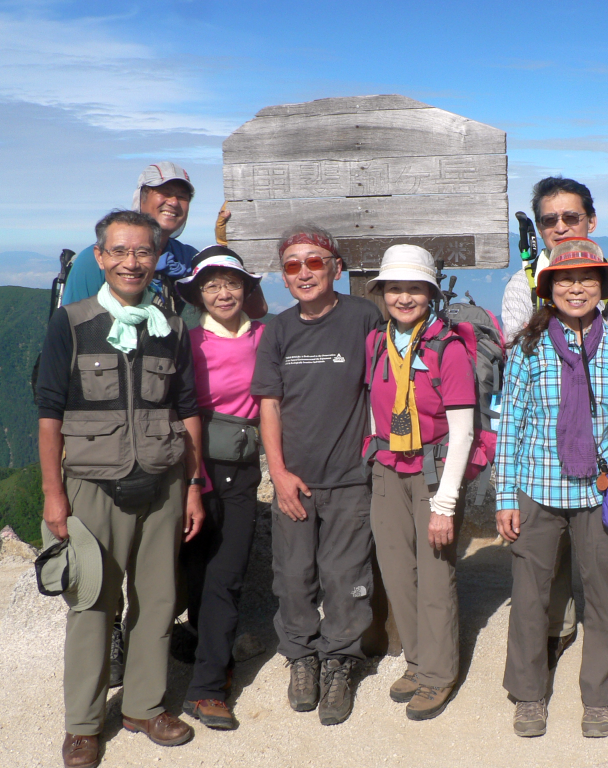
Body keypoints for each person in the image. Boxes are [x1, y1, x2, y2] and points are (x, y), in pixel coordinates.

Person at [35, 209, 205, 768]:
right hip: (91, 485)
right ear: (101, 258)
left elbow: (185, 410)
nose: (133, 262)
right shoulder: (72, 323)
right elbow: (49, 413)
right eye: (121, 251)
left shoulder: (171, 325)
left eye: (144, 252)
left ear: (157, 260)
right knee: (91, 604)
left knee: (157, 602)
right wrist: (53, 494)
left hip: (162, 480)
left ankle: (143, 705)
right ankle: (83, 725)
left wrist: (195, 485)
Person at [496, 238, 608, 739]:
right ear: (549, 290)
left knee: (605, 594)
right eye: (565, 279)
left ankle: (600, 698)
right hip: (538, 489)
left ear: (604, 288)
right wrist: (505, 497)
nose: (576, 287)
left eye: (588, 279)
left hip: (600, 492)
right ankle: (528, 695)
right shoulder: (527, 348)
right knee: (530, 596)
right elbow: (513, 426)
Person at [500, 176, 608, 669]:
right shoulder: (523, 282)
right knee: (540, 573)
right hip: (544, 464)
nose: (560, 227)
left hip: (598, 465)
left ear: (591, 221)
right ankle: (551, 642)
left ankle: (593, 670)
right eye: (549, 220)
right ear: (538, 228)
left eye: (571, 217)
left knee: (600, 573)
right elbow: (519, 351)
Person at [250, 224, 383, 726]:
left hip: (351, 475)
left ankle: (340, 661)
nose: (303, 272)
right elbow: (270, 405)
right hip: (296, 479)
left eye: (313, 262)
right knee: (293, 575)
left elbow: (383, 385)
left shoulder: (364, 316)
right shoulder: (278, 330)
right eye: (291, 265)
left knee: (345, 575)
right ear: (283, 277)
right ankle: (301, 658)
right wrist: (278, 473)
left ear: (335, 268)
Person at [363, 245, 476, 721]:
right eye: (395, 288)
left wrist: (446, 505)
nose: (404, 297)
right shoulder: (377, 343)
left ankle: (437, 675)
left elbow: (464, 428)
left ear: (430, 293)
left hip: (434, 472)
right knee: (396, 573)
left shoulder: (447, 348)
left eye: (414, 288)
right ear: (383, 293)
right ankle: (415, 659)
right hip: (387, 467)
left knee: (434, 577)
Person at [170, 246, 266, 730]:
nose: (223, 293)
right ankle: (201, 654)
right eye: (211, 286)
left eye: (232, 283)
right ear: (198, 295)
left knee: (224, 577)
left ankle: (207, 689)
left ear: (247, 290)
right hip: (191, 467)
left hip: (241, 471)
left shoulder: (267, 338)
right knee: (192, 574)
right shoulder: (186, 342)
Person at [61, 162, 267, 317]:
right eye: (165, 193)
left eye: (182, 197)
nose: (174, 202)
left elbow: (255, 310)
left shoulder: (186, 259)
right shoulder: (95, 260)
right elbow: (72, 327)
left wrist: (228, 252)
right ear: (142, 197)